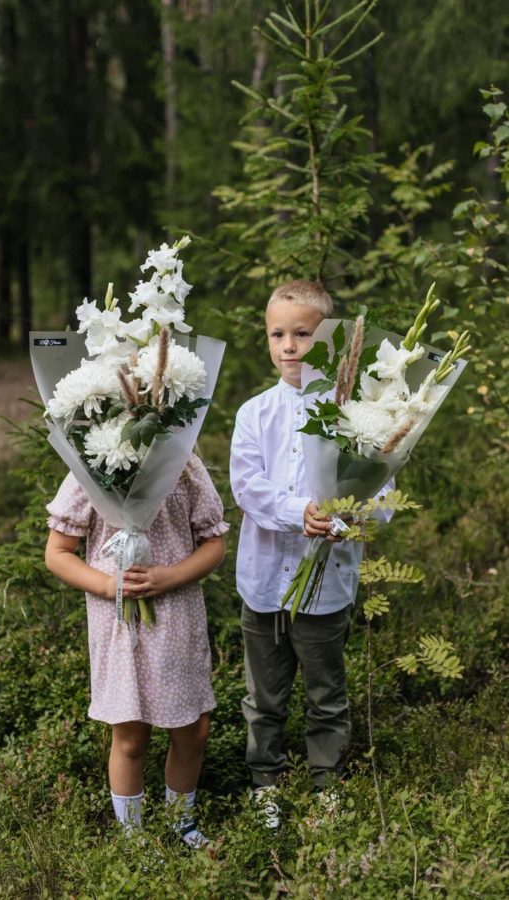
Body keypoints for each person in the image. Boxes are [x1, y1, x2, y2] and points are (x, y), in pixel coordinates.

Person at [230, 279, 387, 827]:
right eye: (278, 333)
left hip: (326, 585)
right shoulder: (255, 413)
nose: (289, 345)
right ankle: (266, 783)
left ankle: (327, 785)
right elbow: (247, 487)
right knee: (264, 696)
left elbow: (381, 493)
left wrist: (348, 519)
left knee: (326, 694)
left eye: (302, 334)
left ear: (327, 343)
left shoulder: (356, 416)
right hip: (265, 581)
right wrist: (299, 512)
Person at [45, 454, 227, 848]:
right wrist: (108, 585)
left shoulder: (184, 465)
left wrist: (172, 576)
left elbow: (214, 544)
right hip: (119, 622)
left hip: (177, 612)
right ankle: (134, 838)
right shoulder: (92, 466)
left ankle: (182, 824)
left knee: (193, 729)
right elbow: (57, 553)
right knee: (130, 734)